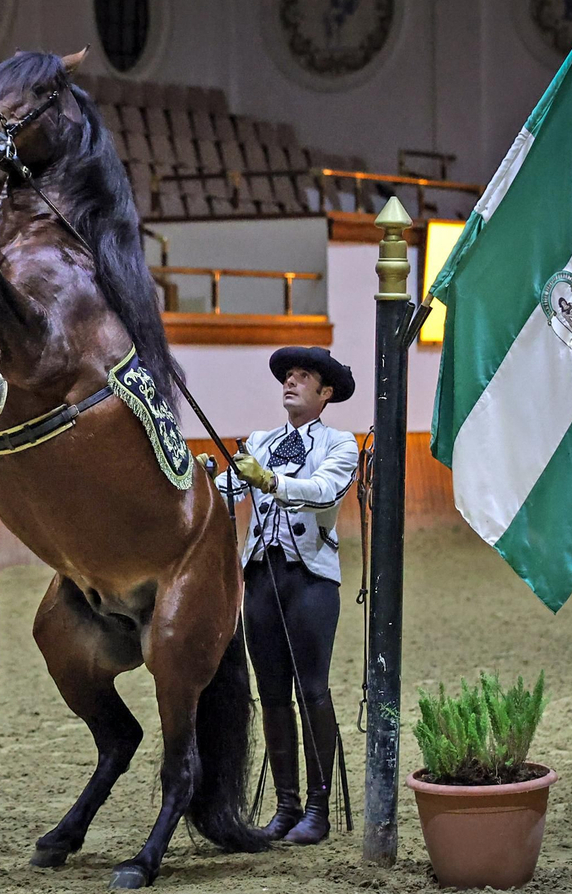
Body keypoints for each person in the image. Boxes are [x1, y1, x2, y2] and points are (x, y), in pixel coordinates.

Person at [215, 346, 358, 845]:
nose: (290, 383)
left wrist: (272, 480)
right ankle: (286, 806)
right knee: (272, 695)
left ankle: (317, 807)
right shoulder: (259, 441)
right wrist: (199, 481)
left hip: (311, 581)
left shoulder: (341, 445)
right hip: (260, 579)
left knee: (312, 691)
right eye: (288, 376)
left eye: (303, 378)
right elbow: (227, 490)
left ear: (326, 393)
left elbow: (324, 491)